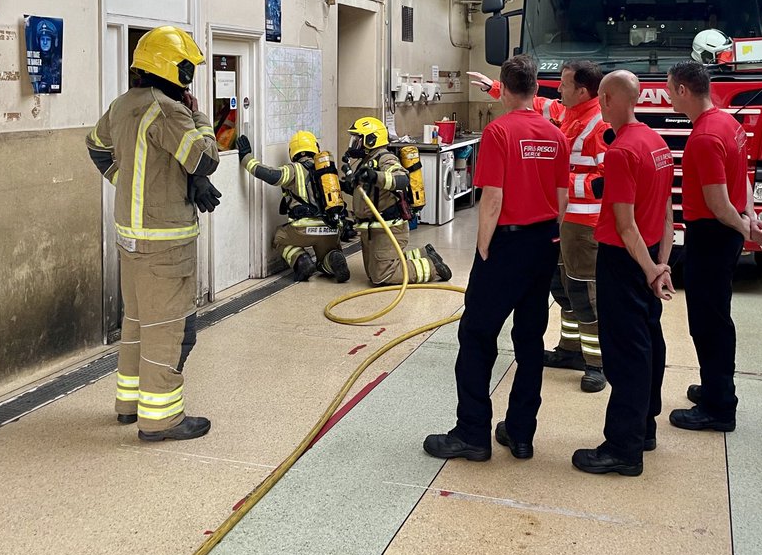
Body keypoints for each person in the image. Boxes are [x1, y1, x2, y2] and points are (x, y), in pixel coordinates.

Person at [425, 55, 570, 462]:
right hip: (544, 243)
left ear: (503, 89)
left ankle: (472, 433)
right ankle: (521, 434)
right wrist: (547, 236)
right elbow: (562, 198)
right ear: (537, 89)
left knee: (476, 336)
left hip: (505, 243)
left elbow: (493, 198)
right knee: (529, 340)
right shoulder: (555, 135)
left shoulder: (499, 132)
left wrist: (485, 247)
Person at [85, 25, 221, 442]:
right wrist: (199, 115)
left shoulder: (124, 104)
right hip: (166, 243)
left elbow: (95, 144)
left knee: (137, 322)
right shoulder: (168, 110)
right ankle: (162, 419)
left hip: (130, 237)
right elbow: (205, 159)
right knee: (172, 330)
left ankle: (129, 405)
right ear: (173, 69)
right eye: (187, 69)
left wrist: (125, 182)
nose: (189, 76)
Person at [469, 61, 611, 393]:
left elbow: (606, 180)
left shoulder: (598, 124)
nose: (557, 89)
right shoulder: (570, 113)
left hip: (583, 223)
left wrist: (551, 180)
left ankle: (596, 364)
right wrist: (494, 86)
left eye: (563, 85)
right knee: (562, 290)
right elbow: (536, 103)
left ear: (582, 91)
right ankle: (570, 349)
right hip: (559, 222)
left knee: (584, 293)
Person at [572, 71, 674, 477]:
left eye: (600, 96)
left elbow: (625, 224)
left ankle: (622, 448)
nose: (598, 102)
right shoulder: (657, 143)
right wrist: (661, 264)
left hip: (623, 259)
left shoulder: (621, 152)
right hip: (649, 254)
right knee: (649, 341)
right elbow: (666, 212)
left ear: (610, 99)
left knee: (625, 355)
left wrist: (649, 271)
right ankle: (644, 426)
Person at [665, 61, 762, 432]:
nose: (665, 95)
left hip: (711, 235)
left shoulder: (705, 138)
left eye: (668, 88)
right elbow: (741, 179)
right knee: (715, 318)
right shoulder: (728, 123)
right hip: (722, 235)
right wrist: (751, 216)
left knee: (708, 324)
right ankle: (714, 388)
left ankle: (719, 407)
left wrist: (746, 227)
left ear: (682, 91)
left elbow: (717, 202)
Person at [341, 116, 451, 286]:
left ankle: (431, 266)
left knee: (382, 276)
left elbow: (401, 179)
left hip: (388, 228)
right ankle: (423, 253)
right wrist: (344, 184)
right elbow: (365, 192)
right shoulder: (367, 160)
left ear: (371, 140)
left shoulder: (385, 159)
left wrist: (375, 176)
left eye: (358, 139)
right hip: (373, 229)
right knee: (373, 273)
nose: (354, 144)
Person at [236, 130, 351, 283]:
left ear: (292, 152)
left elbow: (270, 175)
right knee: (326, 259)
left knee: (279, 238)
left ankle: (301, 261)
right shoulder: (327, 171)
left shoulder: (294, 169)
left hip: (303, 229)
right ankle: (331, 259)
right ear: (315, 147)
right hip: (330, 229)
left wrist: (246, 158)